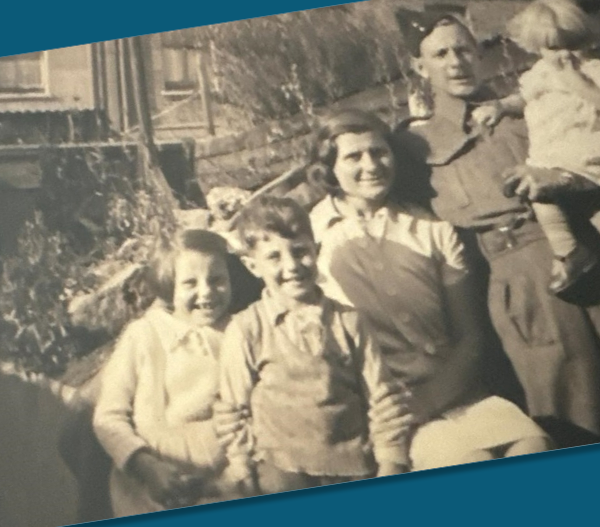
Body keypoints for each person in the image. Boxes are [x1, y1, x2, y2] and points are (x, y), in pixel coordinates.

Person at [393, 7, 600, 444]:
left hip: (585, 251)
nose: (456, 62)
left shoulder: (532, 102)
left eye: (465, 49)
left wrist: (563, 178)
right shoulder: (412, 144)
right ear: (419, 66)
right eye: (441, 53)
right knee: (569, 416)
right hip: (515, 288)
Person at [309, 109, 551, 471]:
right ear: (329, 168)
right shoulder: (311, 237)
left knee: (536, 448)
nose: (371, 165)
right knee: (471, 463)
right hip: (387, 407)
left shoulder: (430, 228)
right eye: (354, 157)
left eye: (379, 151)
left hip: (458, 391)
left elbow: (470, 337)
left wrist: (429, 400)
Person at [218, 195, 412, 494]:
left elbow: (382, 398)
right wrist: (242, 466)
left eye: (300, 251)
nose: (292, 265)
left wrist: (390, 462)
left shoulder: (348, 321)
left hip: (351, 466)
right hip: (281, 470)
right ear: (251, 265)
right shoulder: (247, 329)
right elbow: (233, 409)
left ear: (316, 250)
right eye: (274, 257)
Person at [93, 229, 235, 517]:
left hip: (227, 477)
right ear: (169, 286)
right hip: (156, 483)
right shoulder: (144, 335)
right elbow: (108, 416)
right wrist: (145, 465)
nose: (206, 291)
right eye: (190, 283)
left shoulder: (238, 330)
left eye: (217, 279)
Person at [472, 0, 600, 294]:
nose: (565, 56)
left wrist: (574, 79)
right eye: (553, 49)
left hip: (584, 152)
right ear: (537, 49)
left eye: (573, 45)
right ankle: (569, 253)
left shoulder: (592, 70)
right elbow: (524, 98)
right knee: (541, 199)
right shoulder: (539, 74)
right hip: (547, 156)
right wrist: (501, 106)